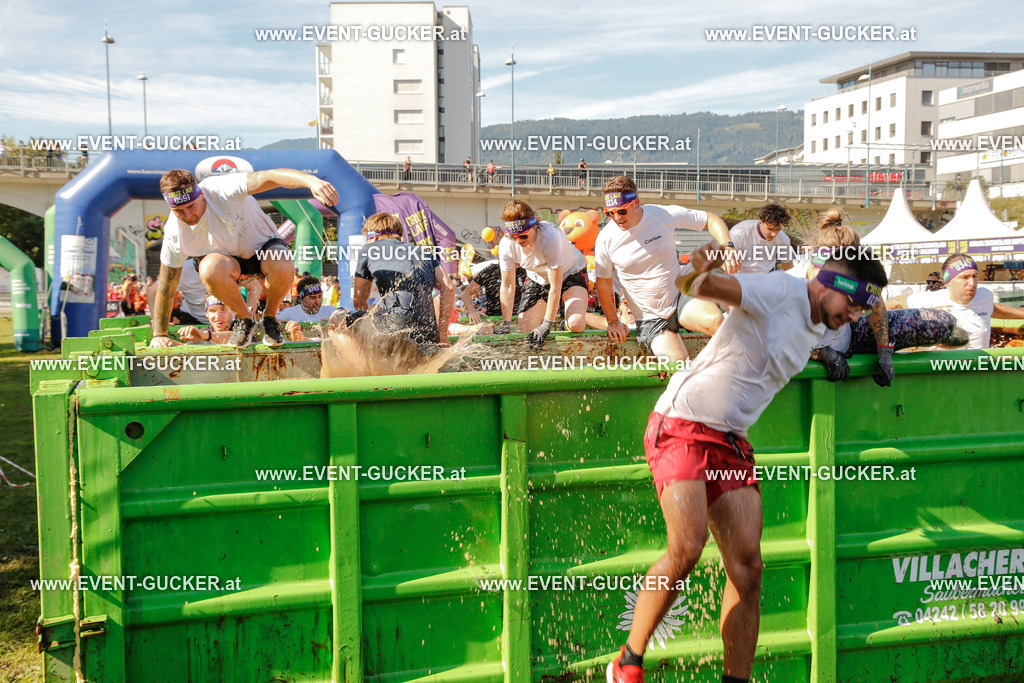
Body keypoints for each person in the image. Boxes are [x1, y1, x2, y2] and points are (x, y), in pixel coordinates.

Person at [606, 243, 888, 683]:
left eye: (859, 311)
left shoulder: (820, 320)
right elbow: (697, 287)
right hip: (682, 423)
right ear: (829, 284)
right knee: (688, 546)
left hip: (730, 441)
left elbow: (779, 341)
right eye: (851, 307)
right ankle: (627, 662)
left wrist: (858, 347)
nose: (852, 317)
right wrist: (700, 270)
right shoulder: (779, 290)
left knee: (748, 567)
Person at [149, 167, 339, 349]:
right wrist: (159, 335)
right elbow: (167, 285)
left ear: (201, 195)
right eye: (179, 211)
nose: (189, 215)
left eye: (191, 206)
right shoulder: (175, 232)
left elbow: (270, 177)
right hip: (227, 265)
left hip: (262, 250)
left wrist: (311, 181)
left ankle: (270, 319)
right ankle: (245, 320)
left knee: (281, 258)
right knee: (209, 268)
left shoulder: (221, 188)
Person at [594, 175, 738, 363]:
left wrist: (728, 247)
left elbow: (711, 219)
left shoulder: (661, 214)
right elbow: (603, 282)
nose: (616, 218)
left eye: (621, 211)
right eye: (610, 213)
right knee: (679, 367)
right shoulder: (606, 238)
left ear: (636, 203)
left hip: (679, 298)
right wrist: (613, 321)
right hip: (650, 318)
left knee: (715, 321)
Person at [352, 211, 454, 346]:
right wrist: (442, 333)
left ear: (373, 237)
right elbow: (449, 288)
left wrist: (368, 320)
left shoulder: (369, 249)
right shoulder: (424, 252)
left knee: (338, 321)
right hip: (429, 332)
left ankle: (360, 366)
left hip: (397, 326)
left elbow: (359, 302)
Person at [496, 200, 589, 346]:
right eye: (513, 237)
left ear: (534, 227)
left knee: (576, 324)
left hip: (569, 271)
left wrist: (546, 324)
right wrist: (506, 323)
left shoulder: (549, 238)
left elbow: (556, 287)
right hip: (537, 278)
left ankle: (564, 322)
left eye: (523, 236)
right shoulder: (506, 244)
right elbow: (507, 285)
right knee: (524, 330)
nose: (518, 241)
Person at [907, 254, 1024, 349]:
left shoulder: (984, 296)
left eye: (975, 276)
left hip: (977, 371)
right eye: (964, 277)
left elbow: (991, 308)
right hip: (940, 372)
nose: (972, 283)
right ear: (948, 281)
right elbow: (896, 306)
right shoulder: (926, 300)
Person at [728, 203, 795, 274]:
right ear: (760, 222)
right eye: (770, 229)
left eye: (778, 229)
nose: (774, 234)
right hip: (741, 275)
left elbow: (788, 267)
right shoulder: (739, 233)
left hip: (767, 276)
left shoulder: (783, 239)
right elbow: (729, 266)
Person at [461, 258, 526, 322]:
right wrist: (472, 311)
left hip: (518, 319)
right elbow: (466, 293)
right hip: (494, 320)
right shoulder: (491, 271)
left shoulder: (522, 272)